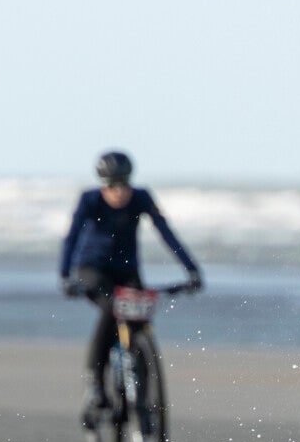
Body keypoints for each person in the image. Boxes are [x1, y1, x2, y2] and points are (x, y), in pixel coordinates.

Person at [58, 151, 203, 426]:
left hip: (127, 271)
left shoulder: (141, 198)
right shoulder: (89, 200)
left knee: (139, 319)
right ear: (103, 185)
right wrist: (65, 275)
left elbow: (166, 233)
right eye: (112, 185)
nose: (120, 192)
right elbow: (71, 237)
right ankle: (95, 383)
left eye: (124, 184)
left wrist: (192, 269)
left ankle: (141, 389)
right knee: (111, 309)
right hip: (92, 269)